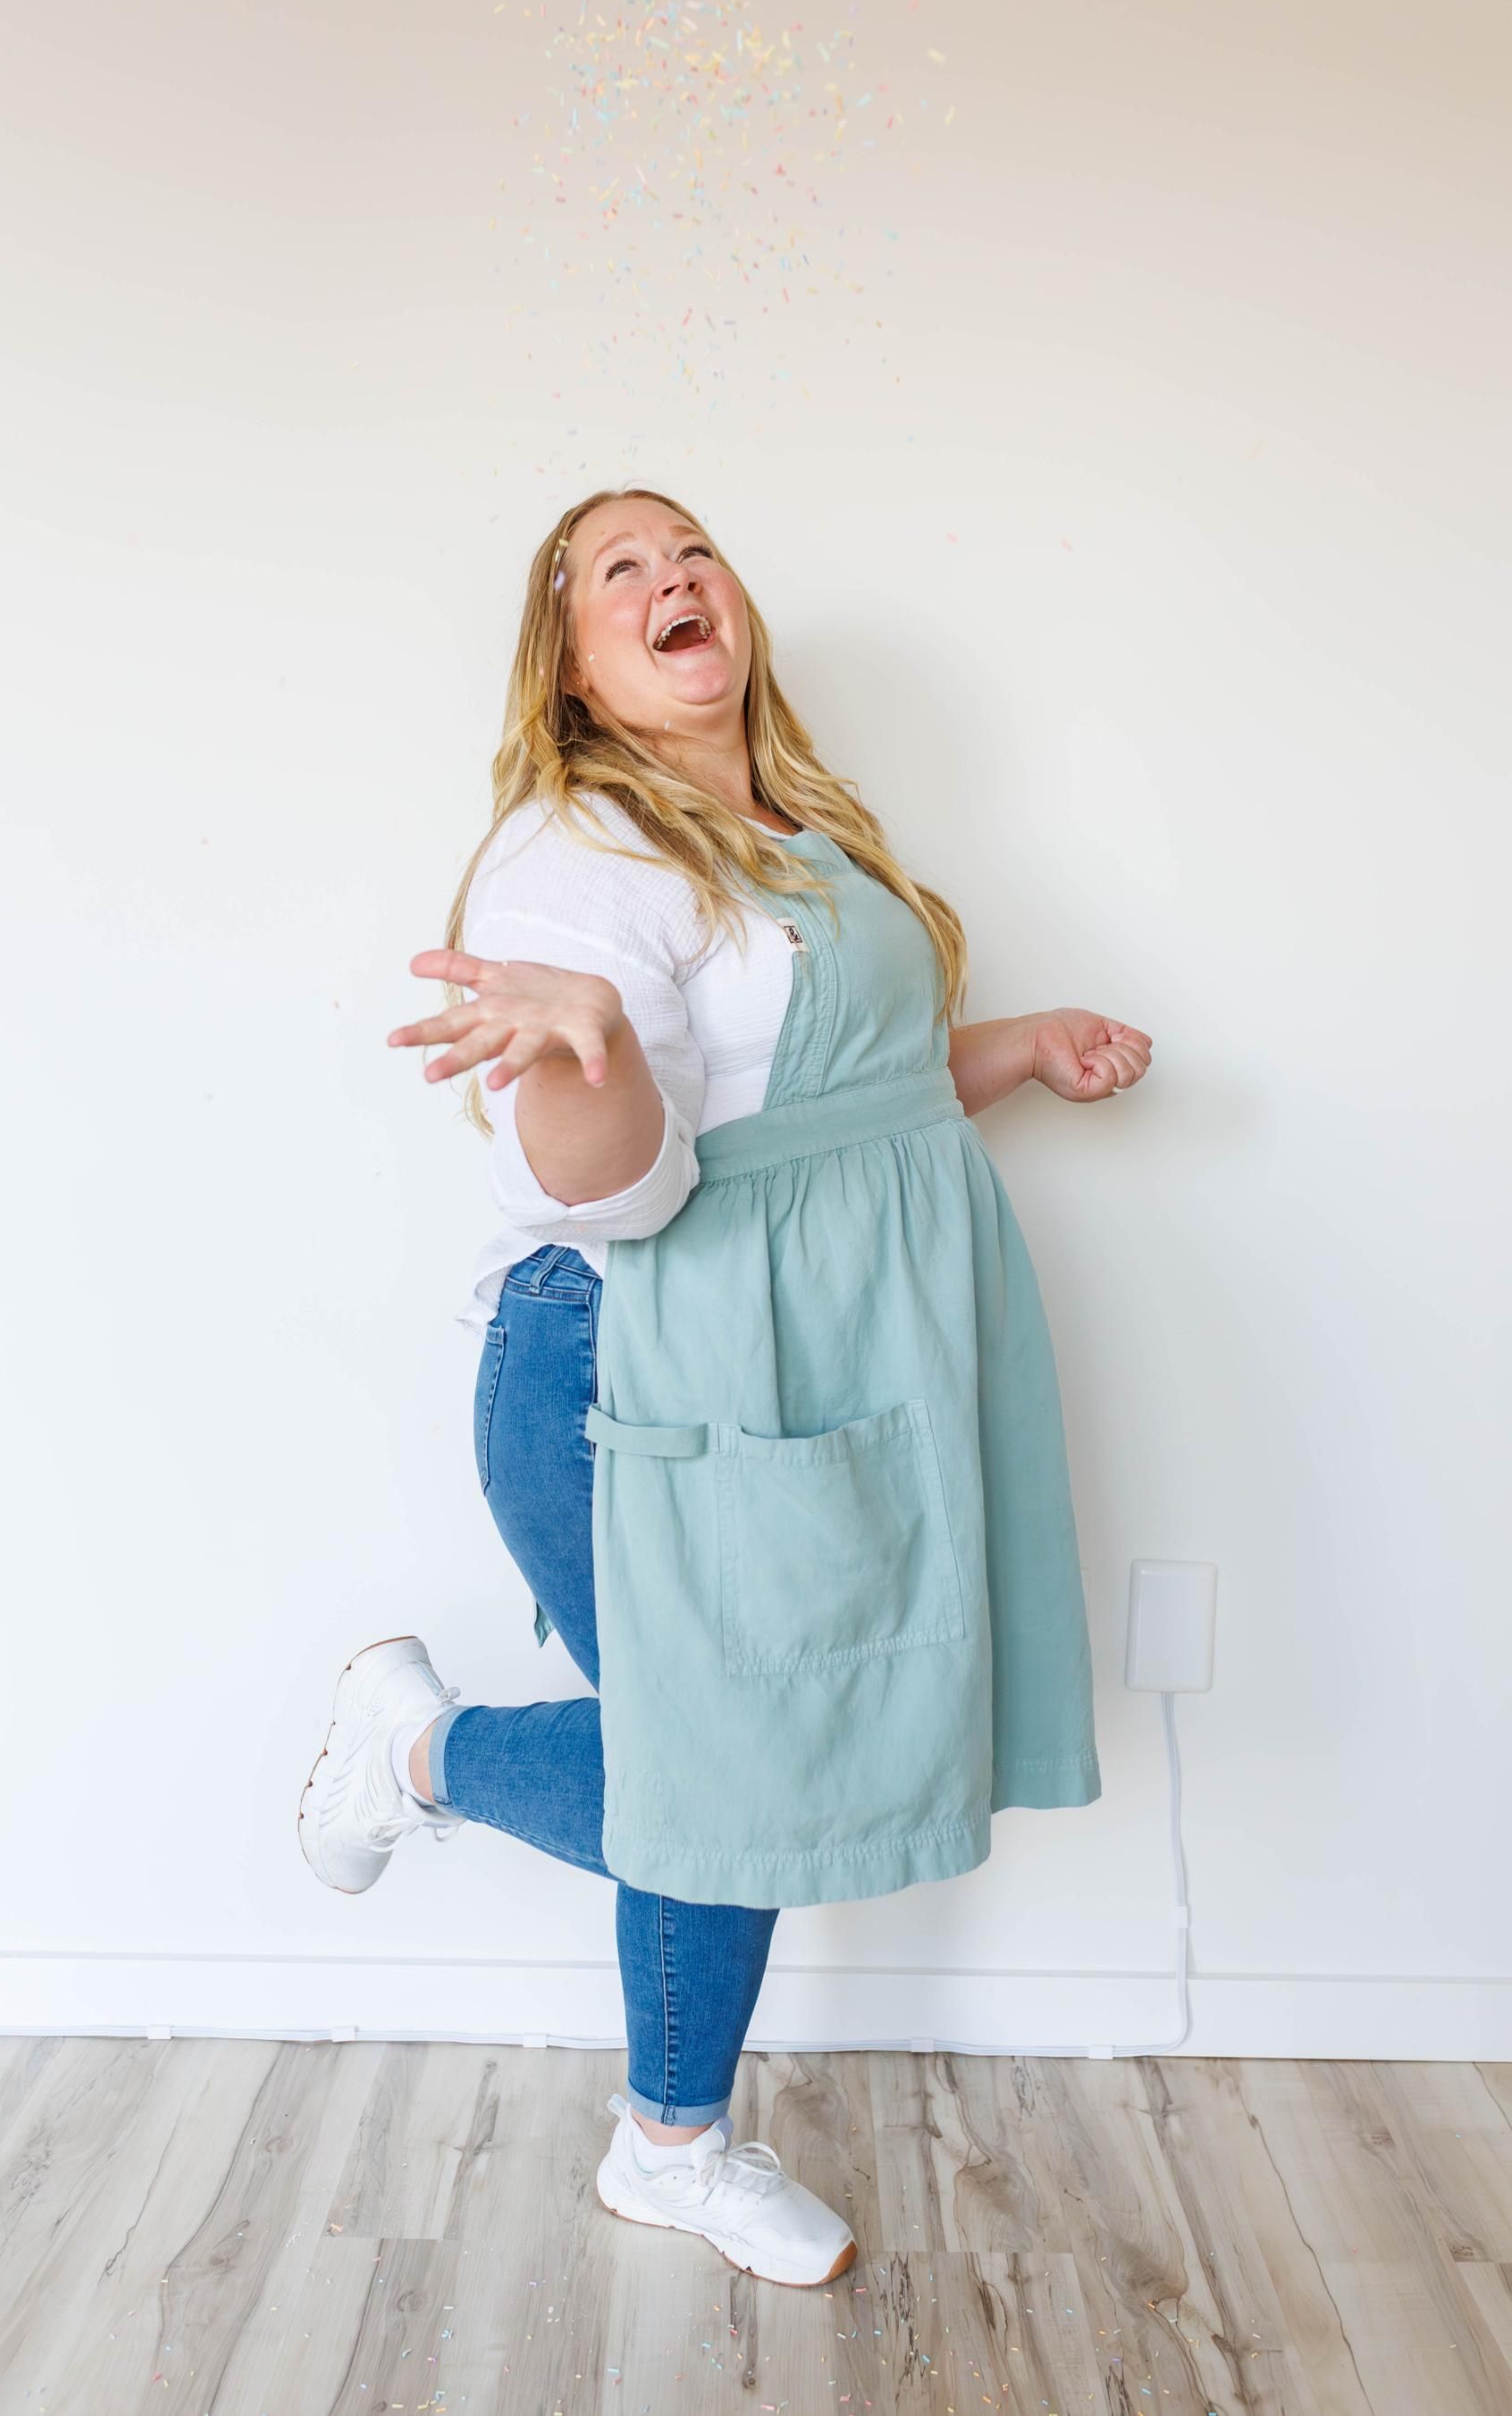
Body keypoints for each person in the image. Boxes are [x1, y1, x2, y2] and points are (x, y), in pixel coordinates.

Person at [298, 488, 1152, 2287]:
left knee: (751, 1744)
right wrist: (583, 1053)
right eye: (622, 568)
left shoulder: (802, 822)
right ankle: (429, 1760)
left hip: (809, 1348)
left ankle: (667, 2134)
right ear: (580, 669)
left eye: (690, 548)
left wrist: (1017, 1045)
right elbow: (622, 1183)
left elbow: (845, 1101)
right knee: (733, 1759)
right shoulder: (578, 855)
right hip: (618, 1356)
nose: (672, 577)